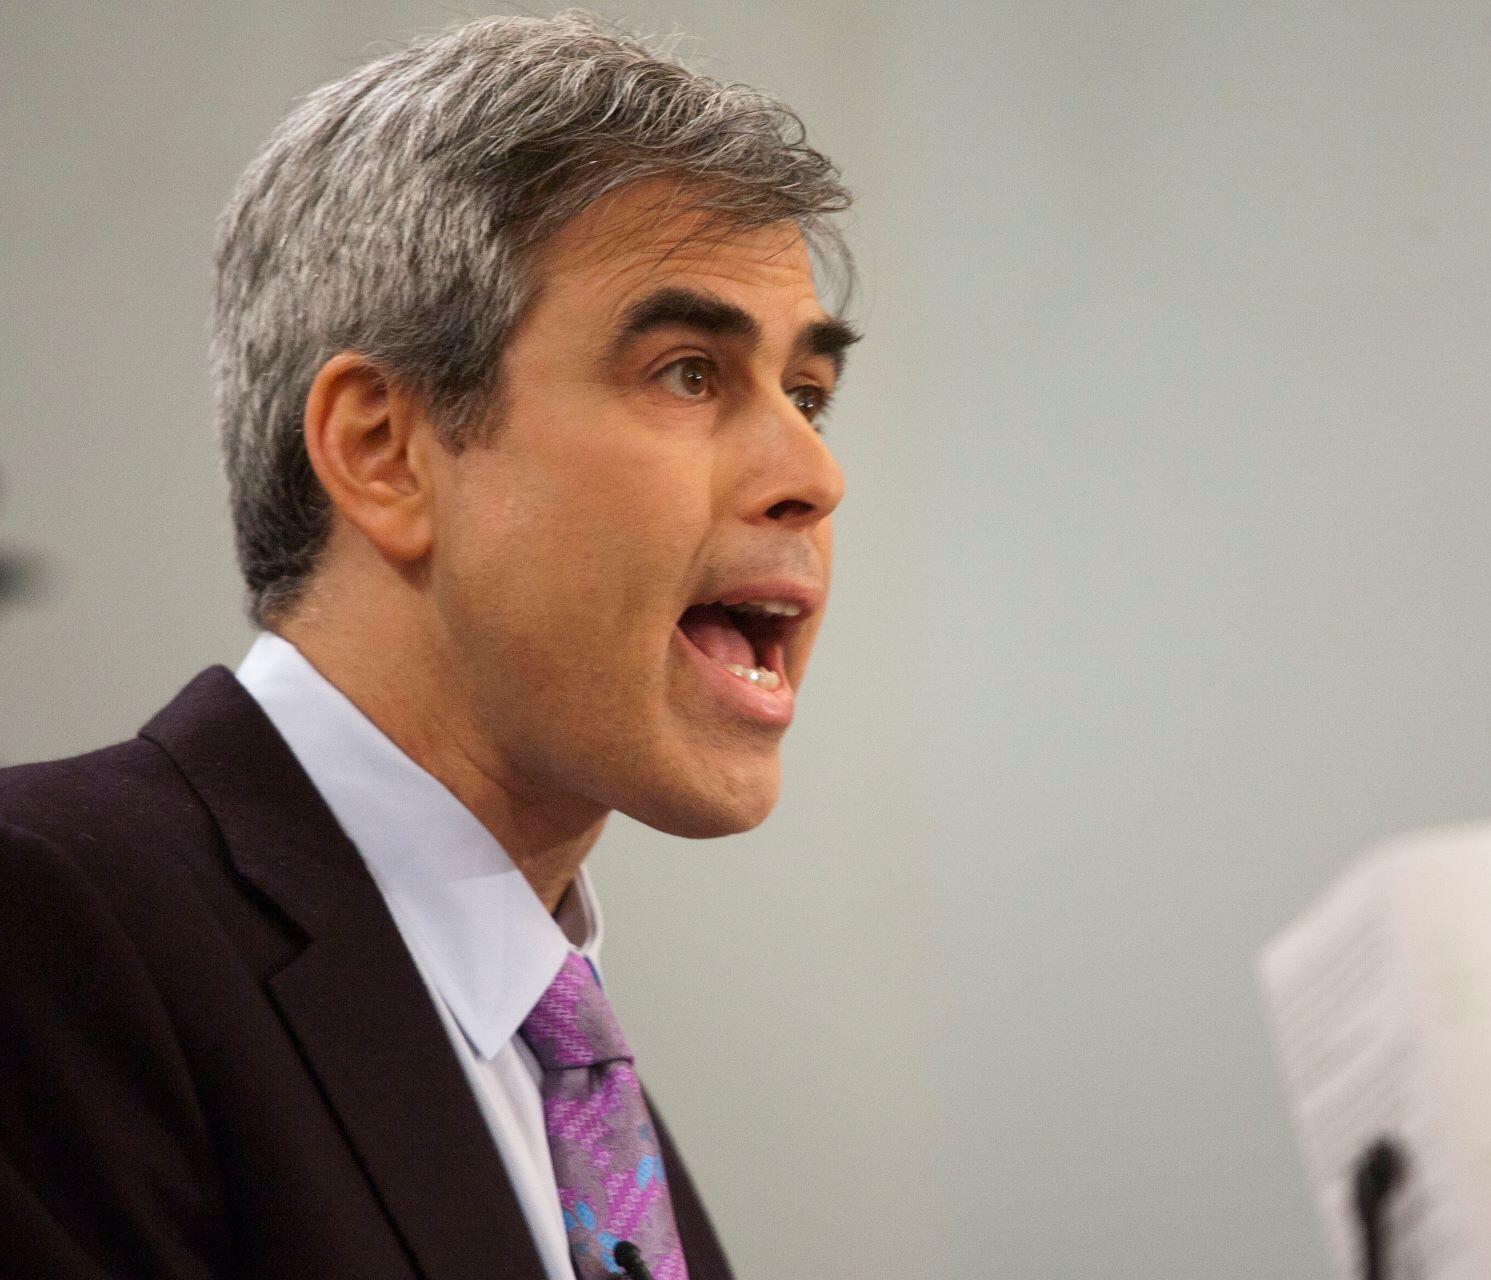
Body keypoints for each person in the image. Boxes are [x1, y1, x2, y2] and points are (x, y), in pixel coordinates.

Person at [0, 13, 857, 1280]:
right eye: (688, 371)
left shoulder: (569, 1071)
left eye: (809, 393)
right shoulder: (51, 931)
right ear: (382, 451)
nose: (814, 473)